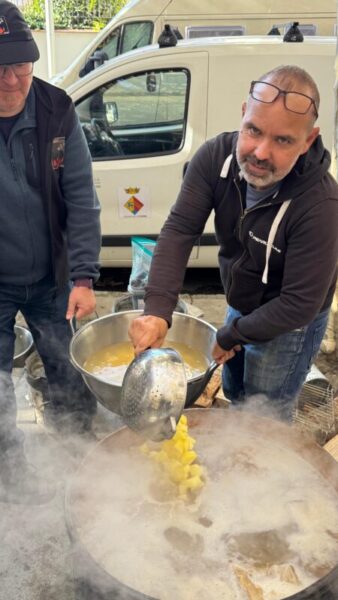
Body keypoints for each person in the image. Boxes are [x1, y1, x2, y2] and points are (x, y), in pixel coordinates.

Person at [129, 64, 338, 422]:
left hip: (290, 323)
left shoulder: (320, 206)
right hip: (241, 299)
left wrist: (231, 334)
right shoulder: (215, 158)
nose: (259, 152)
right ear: (243, 114)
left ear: (308, 140)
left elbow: (299, 304)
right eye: (253, 130)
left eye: (283, 140)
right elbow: (180, 229)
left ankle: (262, 468)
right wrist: (158, 310)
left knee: (265, 414)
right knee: (235, 389)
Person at [0, 1, 101, 503]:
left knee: (65, 368)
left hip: (52, 280)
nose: (12, 79)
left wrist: (83, 277)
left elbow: (81, 196)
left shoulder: (57, 110)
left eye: (21, 63)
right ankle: (9, 475)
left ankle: (79, 461)